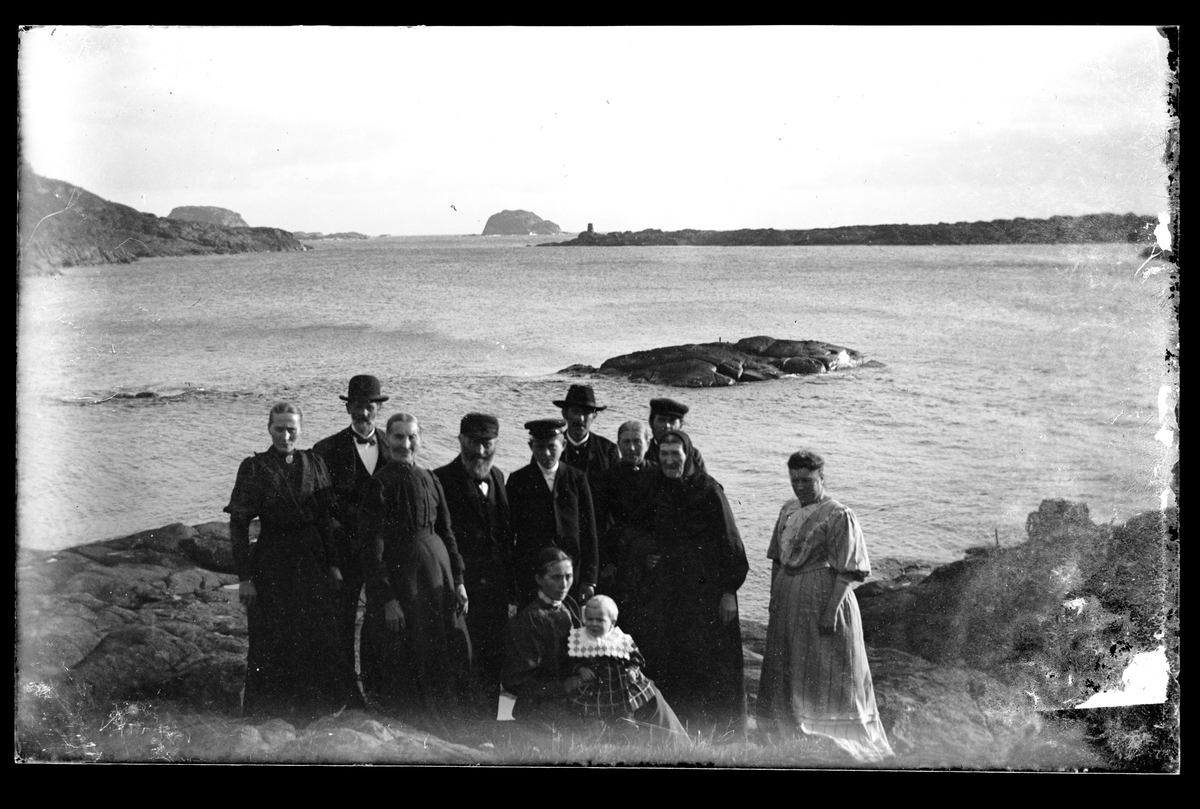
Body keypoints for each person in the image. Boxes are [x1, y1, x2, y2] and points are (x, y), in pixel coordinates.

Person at [757, 450, 894, 762]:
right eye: (795, 480)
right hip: (787, 600)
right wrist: (773, 600)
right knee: (789, 662)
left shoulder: (838, 514)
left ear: (822, 478)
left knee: (824, 666)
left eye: (807, 480)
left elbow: (850, 570)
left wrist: (831, 610)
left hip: (822, 598)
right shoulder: (788, 509)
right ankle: (788, 730)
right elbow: (777, 559)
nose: (800, 486)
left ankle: (834, 735)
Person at [225, 401, 359, 721]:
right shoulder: (254, 467)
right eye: (279, 429)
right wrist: (245, 577)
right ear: (268, 429)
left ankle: (315, 707)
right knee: (271, 634)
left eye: (292, 429)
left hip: (311, 559)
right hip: (272, 559)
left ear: (300, 429)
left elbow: (325, 519)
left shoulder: (314, 462)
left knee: (315, 631)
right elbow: (239, 525)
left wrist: (334, 564)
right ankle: (270, 709)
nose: (286, 435)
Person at [358, 413, 472, 729]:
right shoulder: (379, 485)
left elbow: (447, 532)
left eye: (411, 437)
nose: (405, 444)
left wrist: (459, 581)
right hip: (402, 582)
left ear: (420, 440)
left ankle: (446, 721)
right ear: (388, 440)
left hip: (439, 577)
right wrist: (387, 599)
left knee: (445, 649)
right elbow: (372, 549)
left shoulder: (431, 479)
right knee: (407, 653)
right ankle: (414, 724)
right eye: (398, 437)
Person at [637, 429, 748, 737]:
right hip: (670, 590)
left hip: (706, 593)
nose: (670, 460)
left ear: (688, 456)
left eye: (676, 454)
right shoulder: (657, 487)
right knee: (674, 659)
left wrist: (730, 592)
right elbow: (643, 529)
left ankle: (716, 736)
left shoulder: (709, 490)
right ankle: (678, 732)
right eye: (664, 455)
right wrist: (646, 554)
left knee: (708, 664)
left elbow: (732, 544)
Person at [312, 375, 394, 694]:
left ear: (378, 409)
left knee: (383, 615)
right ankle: (344, 686)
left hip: (383, 552)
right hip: (344, 550)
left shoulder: (394, 445)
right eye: (358, 406)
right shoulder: (326, 449)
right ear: (348, 409)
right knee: (342, 619)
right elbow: (322, 505)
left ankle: (379, 683)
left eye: (370, 407)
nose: (364, 414)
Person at [433, 412, 514, 717]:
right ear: (460, 441)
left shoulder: (498, 477)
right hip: (463, 588)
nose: (480, 451)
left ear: (495, 443)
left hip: (496, 589)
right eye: (473, 443)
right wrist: (457, 581)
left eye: (486, 443)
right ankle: (464, 719)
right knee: (463, 653)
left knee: (495, 655)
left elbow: (505, 537)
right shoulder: (440, 479)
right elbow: (444, 536)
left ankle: (493, 718)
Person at [567, 595, 686, 741]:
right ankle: (598, 733)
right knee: (593, 713)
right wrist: (581, 669)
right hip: (596, 687)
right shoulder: (581, 639)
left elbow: (637, 659)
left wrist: (632, 670)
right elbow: (572, 660)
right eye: (590, 619)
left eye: (600, 620)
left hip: (619, 684)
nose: (594, 624)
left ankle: (628, 731)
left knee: (624, 710)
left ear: (612, 622)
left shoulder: (619, 639)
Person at [507, 418, 599, 604]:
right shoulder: (518, 480)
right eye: (539, 447)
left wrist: (589, 579)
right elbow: (509, 533)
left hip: (569, 575)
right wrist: (512, 580)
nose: (546, 453)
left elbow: (589, 531)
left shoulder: (577, 479)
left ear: (563, 444)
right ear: (531, 446)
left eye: (552, 446)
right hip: (533, 574)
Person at [594, 420, 656, 601]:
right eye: (626, 442)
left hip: (648, 557)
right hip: (617, 556)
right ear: (618, 444)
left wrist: (659, 553)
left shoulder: (658, 476)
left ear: (647, 443)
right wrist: (606, 562)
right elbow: (598, 523)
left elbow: (668, 520)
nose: (631, 447)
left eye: (637, 441)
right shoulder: (607, 478)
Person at [554, 384, 619, 495]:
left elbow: (616, 494)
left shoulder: (608, 450)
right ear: (565, 414)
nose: (581, 418)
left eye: (586, 412)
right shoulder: (549, 448)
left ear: (594, 416)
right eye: (575, 411)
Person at [644, 397, 707, 475]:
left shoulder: (693, 455)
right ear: (651, 422)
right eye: (662, 420)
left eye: (672, 421)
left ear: (680, 425)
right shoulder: (642, 452)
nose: (667, 426)